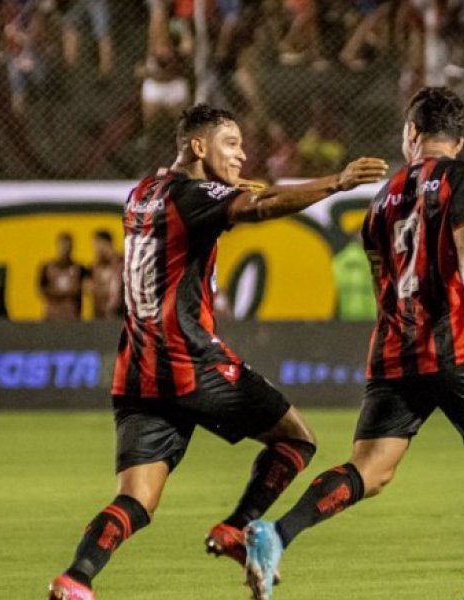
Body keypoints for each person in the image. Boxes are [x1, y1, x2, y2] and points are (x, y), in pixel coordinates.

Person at [46, 104, 387, 600]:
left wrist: (230, 189)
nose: (242, 153)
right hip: (188, 361)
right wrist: (336, 182)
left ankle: (75, 579)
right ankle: (238, 527)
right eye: (232, 143)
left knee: (136, 501)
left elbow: (209, 207)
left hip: (136, 370)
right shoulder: (193, 195)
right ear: (199, 147)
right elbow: (258, 208)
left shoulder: (141, 193)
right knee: (297, 440)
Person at [244, 87, 464, 600]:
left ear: (412, 134)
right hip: (456, 344)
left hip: (395, 349)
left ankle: (276, 533)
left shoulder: (381, 199)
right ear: (458, 142)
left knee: (371, 470)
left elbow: (383, 279)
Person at [38, 232, 88, 321]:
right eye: (63, 246)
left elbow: (85, 288)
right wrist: (60, 293)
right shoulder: (46, 268)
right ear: (58, 246)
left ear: (72, 247)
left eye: (68, 246)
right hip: (51, 317)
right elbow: (42, 290)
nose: (65, 249)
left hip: (72, 317)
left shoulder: (80, 269)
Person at [89, 230, 123, 320]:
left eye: (96, 244)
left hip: (119, 315)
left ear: (104, 243)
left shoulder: (122, 262)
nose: (94, 248)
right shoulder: (96, 265)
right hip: (99, 315)